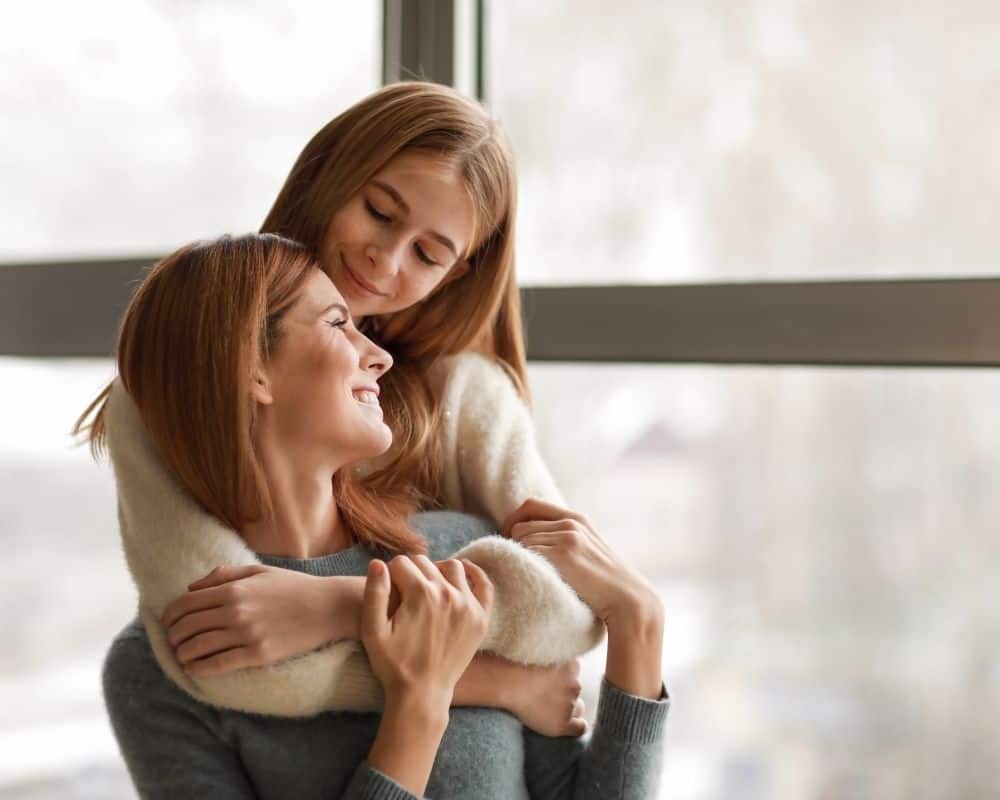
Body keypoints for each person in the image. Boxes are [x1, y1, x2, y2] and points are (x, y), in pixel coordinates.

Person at [90, 81, 658, 723]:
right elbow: (220, 652)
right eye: (380, 212)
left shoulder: (462, 396)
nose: (384, 258)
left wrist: (337, 606)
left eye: (427, 253)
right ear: (330, 173)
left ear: (457, 274)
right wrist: (495, 684)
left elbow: (565, 615)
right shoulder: (168, 384)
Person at [97, 234, 669, 798]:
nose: (380, 356)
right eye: (337, 324)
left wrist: (639, 628)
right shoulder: (164, 667)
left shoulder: (460, 558)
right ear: (252, 365)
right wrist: (418, 707)